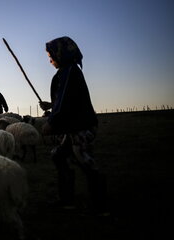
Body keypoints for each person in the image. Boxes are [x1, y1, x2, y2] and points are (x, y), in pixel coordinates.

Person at [39, 36, 107, 215]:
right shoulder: (67, 72)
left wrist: (51, 123)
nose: (50, 59)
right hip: (74, 127)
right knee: (60, 156)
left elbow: (67, 102)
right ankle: (67, 200)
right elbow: (66, 99)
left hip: (81, 127)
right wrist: (51, 105)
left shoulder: (69, 71)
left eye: (51, 55)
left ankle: (101, 205)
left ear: (61, 54)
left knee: (85, 161)